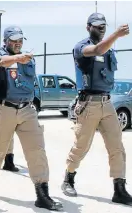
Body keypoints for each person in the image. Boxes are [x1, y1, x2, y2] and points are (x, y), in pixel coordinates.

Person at [0, 26, 62, 211]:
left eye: (20, 40)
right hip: (4, 108)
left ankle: (42, 195)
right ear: (6, 40)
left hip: (26, 109)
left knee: (37, 151)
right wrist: (17, 58)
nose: (18, 43)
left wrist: (21, 59)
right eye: (14, 39)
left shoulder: (28, 60)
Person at [61, 13, 132, 205]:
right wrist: (116, 35)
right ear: (88, 27)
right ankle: (68, 178)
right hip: (88, 103)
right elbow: (98, 49)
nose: (101, 29)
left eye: (104, 26)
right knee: (81, 146)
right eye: (97, 26)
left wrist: (113, 38)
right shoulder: (82, 47)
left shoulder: (109, 51)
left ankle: (119, 189)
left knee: (117, 146)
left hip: (107, 103)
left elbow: (104, 49)